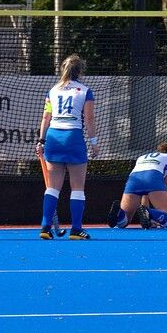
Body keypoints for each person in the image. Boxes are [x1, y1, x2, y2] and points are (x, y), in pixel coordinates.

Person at [36, 54, 99, 240]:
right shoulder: (85, 91)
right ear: (80, 71)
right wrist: (94, 143)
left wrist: (41, 140)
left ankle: (45, 227)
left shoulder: (52, 91)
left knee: (53, 188)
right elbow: (89, 119)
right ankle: (76, 229)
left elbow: (45, 118)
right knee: (77, 187)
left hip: (53, 137)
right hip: (73, 138)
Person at [107, 142, 167, 230]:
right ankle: (151, 213)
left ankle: (119, 213)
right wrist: (155, 217)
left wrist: (146, 216)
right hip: (153, 177)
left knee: (123, 223)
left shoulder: (142, 157)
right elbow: (165, 188)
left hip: (133, 180)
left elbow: (145, 194)